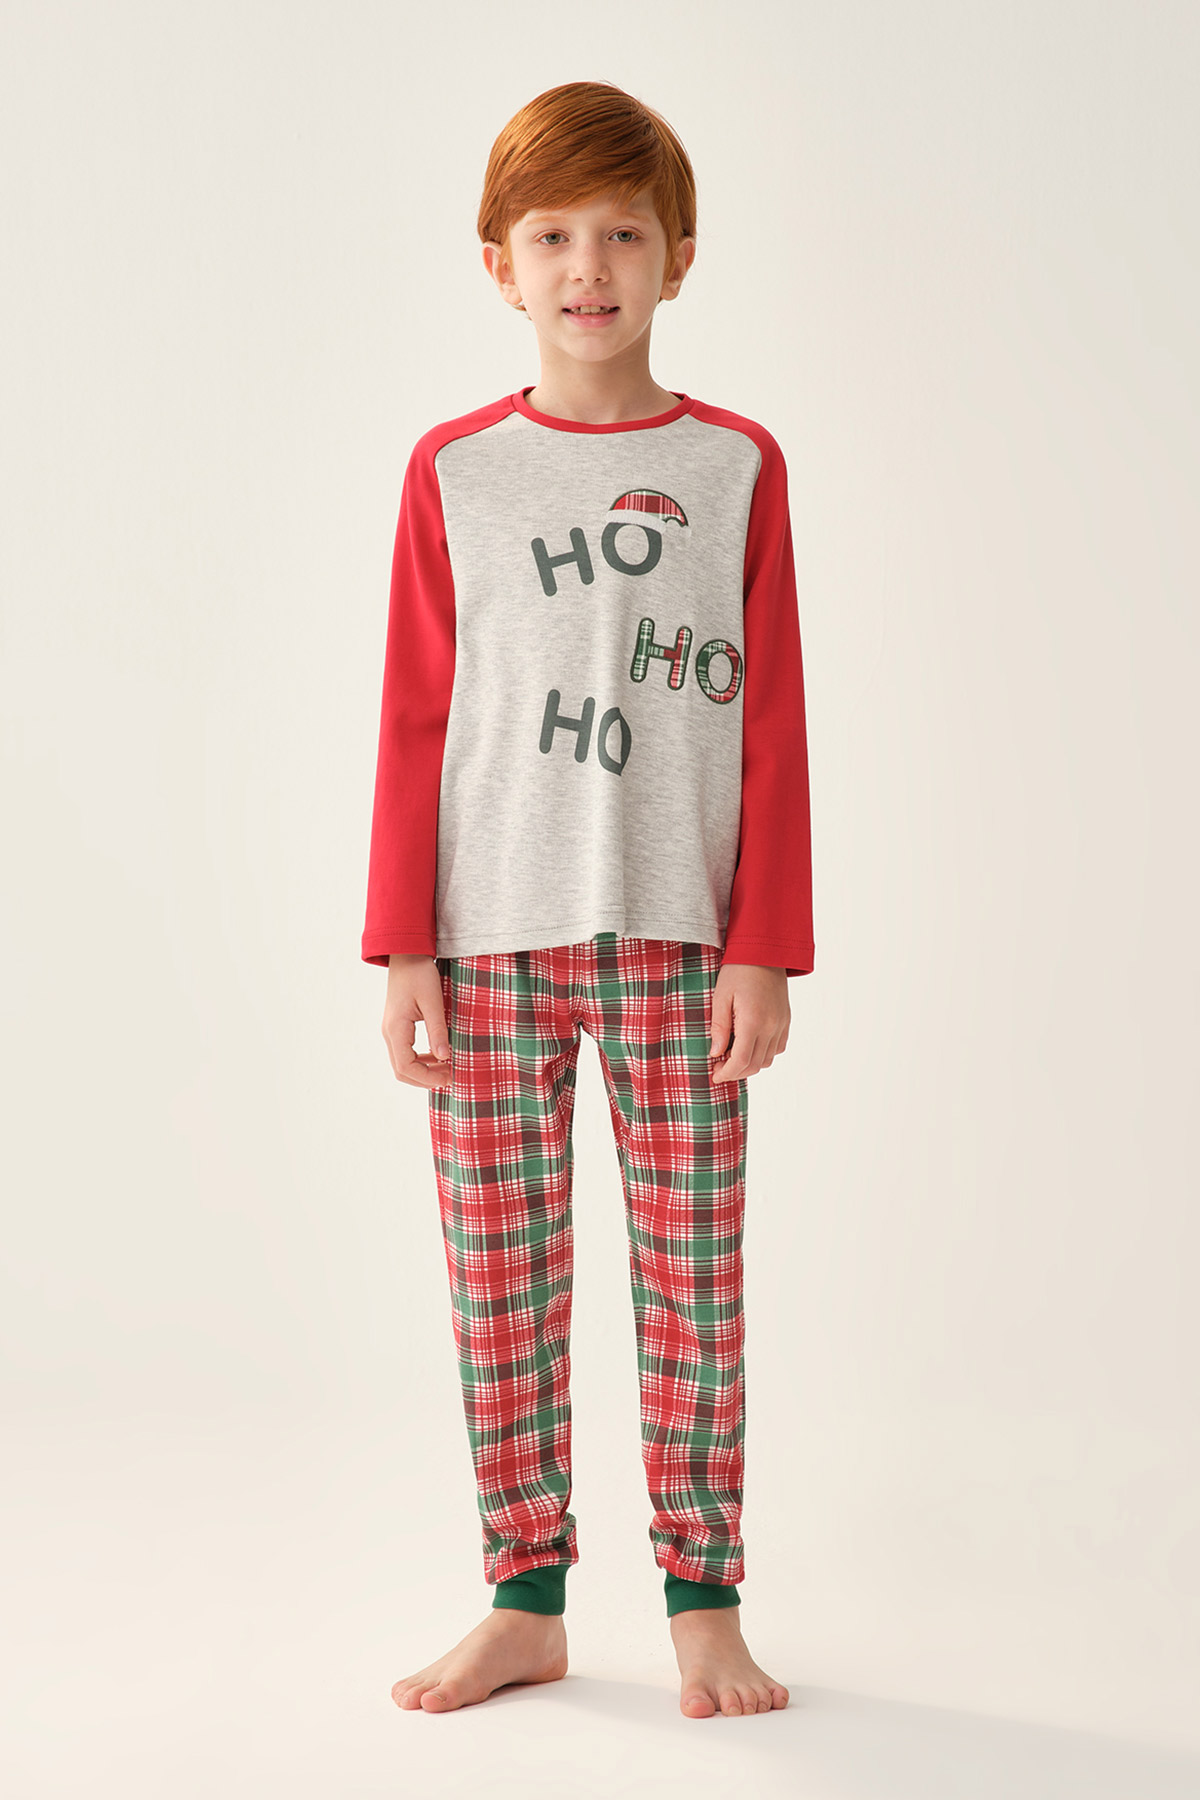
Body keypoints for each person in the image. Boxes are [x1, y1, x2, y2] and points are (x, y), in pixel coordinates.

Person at [361, 79, 814, 1721]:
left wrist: (766, 946)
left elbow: (775, 722)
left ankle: (704, 1602)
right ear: (500, 265)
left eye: (623, 233)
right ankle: (526, 1596)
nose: (589, 267)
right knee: (503, 1282)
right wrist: (403, 943)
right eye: (552, 235)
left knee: (696, 1280)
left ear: (679, 255)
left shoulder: (735, 465)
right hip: (488, 939)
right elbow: (418, 714)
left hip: (683, 941)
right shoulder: (456, 472)